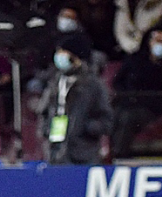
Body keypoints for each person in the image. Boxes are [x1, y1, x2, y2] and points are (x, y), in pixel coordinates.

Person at [37, 33, 113, 164]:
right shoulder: (55, 81)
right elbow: (44, 111)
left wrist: (84, 128)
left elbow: (106, 121)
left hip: (83, 155)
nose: (59, 56)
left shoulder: (93, 85)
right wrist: (46, 129)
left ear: (75, 56)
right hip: (55, 153)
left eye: (63, 52)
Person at [110, 26, 162, 159]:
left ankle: (119, 156)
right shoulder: (135, 60)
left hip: (153, 109)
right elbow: (118, 82)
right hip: (129, 103)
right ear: (150, 42)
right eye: (158, 41)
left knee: (128, 118)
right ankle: (106, 154)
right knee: (115, 114)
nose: (161, 45)